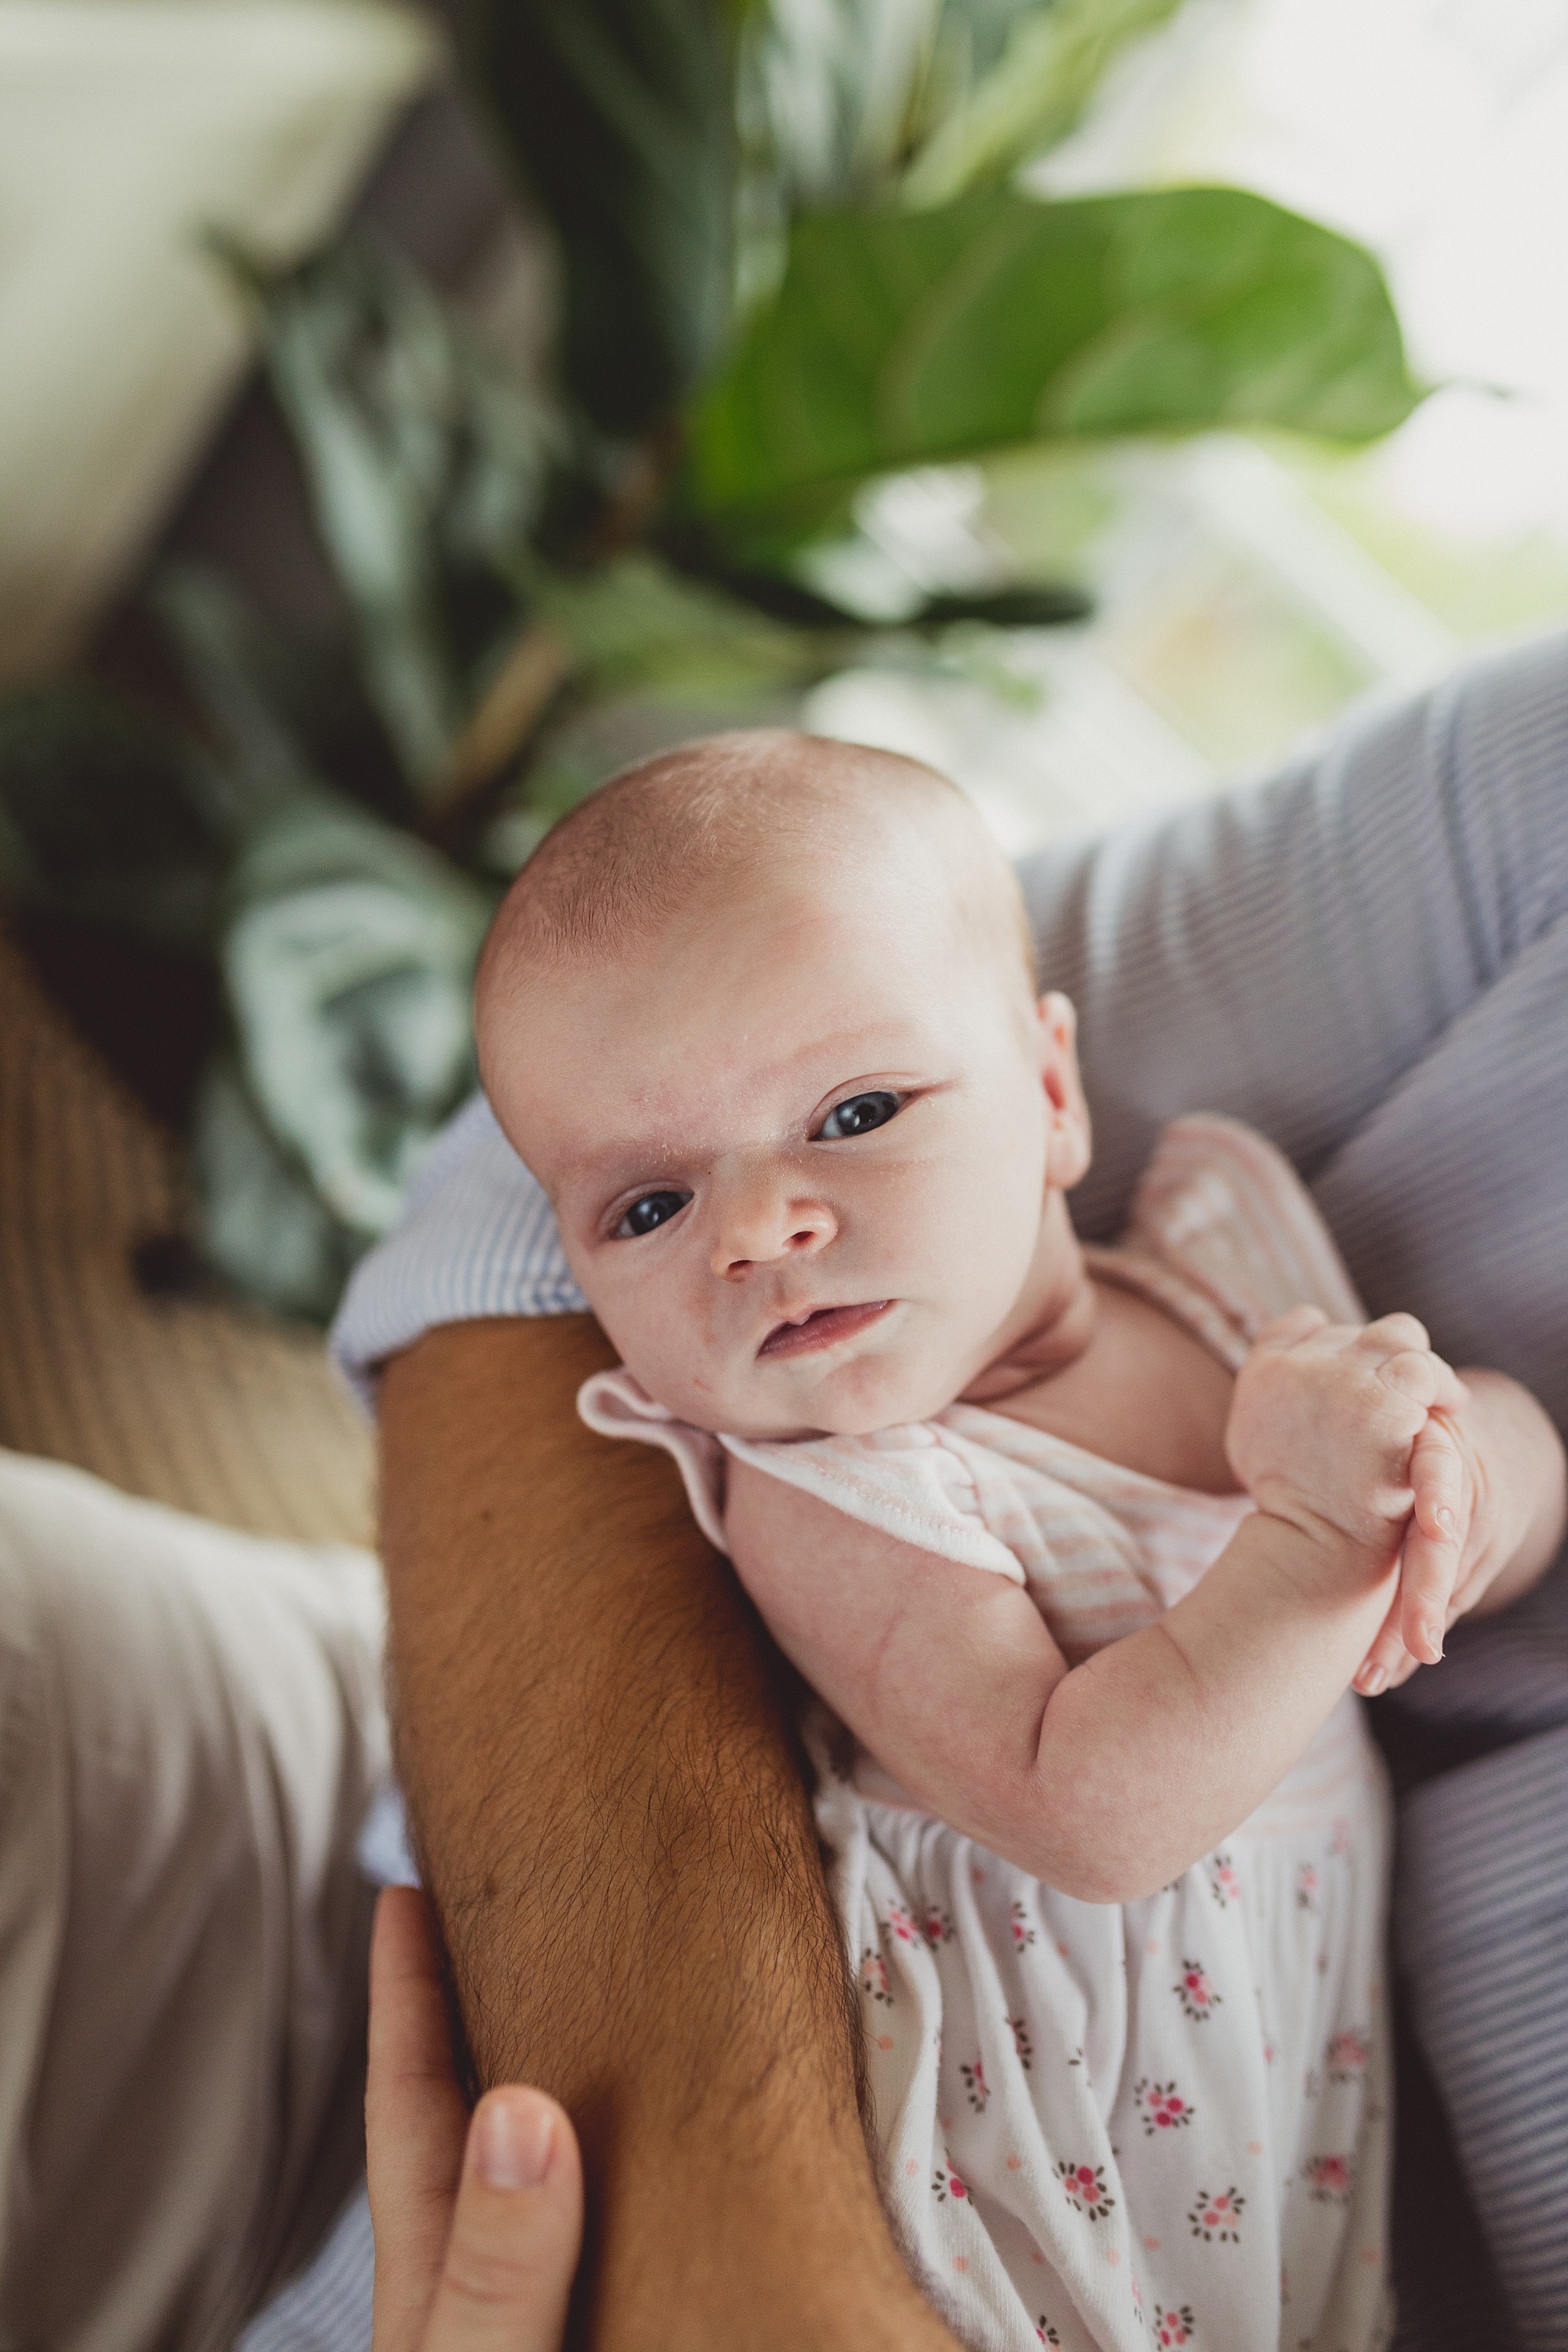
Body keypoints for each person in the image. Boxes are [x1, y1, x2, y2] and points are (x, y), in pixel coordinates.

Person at [340, 628, 1568, 2351]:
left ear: (1054, 1092)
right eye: (645, 1208)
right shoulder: (841, 1488)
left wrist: (1461, 1464)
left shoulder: (1228, 1282)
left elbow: (1497, 1505)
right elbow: (1089, 1807)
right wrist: (1310, 1538)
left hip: (1270, 2153)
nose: (758, 1225)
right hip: (998, 2201)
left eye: (851, 1109)